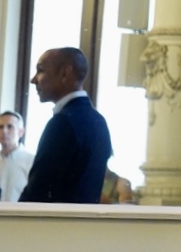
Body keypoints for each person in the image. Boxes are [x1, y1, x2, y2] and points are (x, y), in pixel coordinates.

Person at [18, 48, 112, 204]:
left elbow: (38, 191)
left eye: (40, 71)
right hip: (84, 225)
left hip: (54, 225)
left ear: (65, 73)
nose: (33, 79)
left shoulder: (63, 123)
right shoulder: (98, 121)